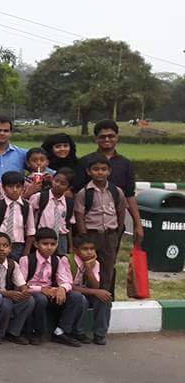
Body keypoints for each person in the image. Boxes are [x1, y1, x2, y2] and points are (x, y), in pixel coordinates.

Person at [73, 120, 144, 263]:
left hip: (113, 226)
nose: (107, 139)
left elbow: (129, 196)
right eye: (102, 136)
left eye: (111, 136)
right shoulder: (85, 162)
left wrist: (138, 224)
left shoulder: (125, 164)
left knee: (109, 264)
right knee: (87, 264)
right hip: (89, 227)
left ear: (117, 138)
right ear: (96, 139)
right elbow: (76, 194)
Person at [19, 228, 85, 347]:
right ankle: (35, 332)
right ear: (36, 244)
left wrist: (62, 288)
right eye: (45, 244)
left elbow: (66, 280)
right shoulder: (26, 260)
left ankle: (61, 331)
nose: (49, 247)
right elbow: (21, 285)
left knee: (76, 296)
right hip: (34, 292)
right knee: (40, 299)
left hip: (52, 292)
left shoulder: (57, 260)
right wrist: (41, 290)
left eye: (53, 244)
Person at [73, 153, 127, 295]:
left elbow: (121, 211)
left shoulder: (116, 191)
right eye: (96, 169)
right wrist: (84, 236)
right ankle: (90, 296)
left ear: (109, 171)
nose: (100, 172)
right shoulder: (84, 193)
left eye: (103, 169)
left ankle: (105, 296)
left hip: (110, 235)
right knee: (88, 265)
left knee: (108, 267)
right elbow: (79, 215)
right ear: (88, 171)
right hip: (91, 235)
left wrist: (117, 231)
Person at [0, 232, 34, 345]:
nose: (2, 249)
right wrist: (8, 294)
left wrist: (24, 291)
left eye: (5, 246)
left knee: (29, 300)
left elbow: (21, 283)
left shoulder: (13, 264)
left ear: (10, 248)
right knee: (4, 301)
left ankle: (13, 332)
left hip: (6, 295)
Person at [70, 236, 112, 345]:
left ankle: (100, 334)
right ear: (75, 250)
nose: (89, 252)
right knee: (80, 298)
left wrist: (88, 268)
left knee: (104, 298)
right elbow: (69, 286)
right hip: (69, 295)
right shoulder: (68, 261)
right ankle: (78, 332)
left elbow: (96, 286)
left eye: (92, 249)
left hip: (85, 292)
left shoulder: (94, 263)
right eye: (85, 249)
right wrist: (95, 292)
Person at [0, 171, 35, 260]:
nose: (14, 190)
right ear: (4, 188)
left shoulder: (27, 206)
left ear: (23, 188)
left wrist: (26, 252)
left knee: (15, 266)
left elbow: (31, 231)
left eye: (18, 187)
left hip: (18, 245)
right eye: (10, 187)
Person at [29, 168, 75, 256]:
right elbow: (30, 219)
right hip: (42, 236)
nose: (58, 185)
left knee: (60, 260)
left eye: (63, 184)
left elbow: (68, 225)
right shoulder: (39, 197)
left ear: (69, 187)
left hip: (61, 238)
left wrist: (70, 246)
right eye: (56, 181)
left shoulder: (69, 203)